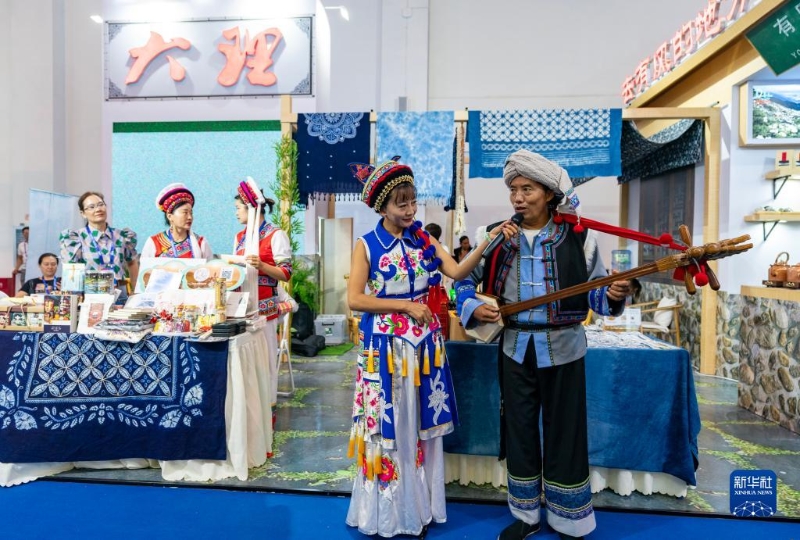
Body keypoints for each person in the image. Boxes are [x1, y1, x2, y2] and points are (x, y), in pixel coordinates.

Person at [455, 150, 631, 540]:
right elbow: (461, 281)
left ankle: (569, 517)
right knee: (518, 429)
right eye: (514, 190)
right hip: (514, 347)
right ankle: (525, 514)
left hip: (565, 347)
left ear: (549, 193)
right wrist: (471, 305)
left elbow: (596, 294)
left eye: (528, 189)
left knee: (566, 431)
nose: (518, 198)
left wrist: (613, 294)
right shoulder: (495, 236)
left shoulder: (580, 236)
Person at [345, 156, 515, 538]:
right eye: (401, 203)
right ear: (382, 207)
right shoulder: (366, 245)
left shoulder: (424, 239)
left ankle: (419, 508)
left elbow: (457, 271)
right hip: (386, 351)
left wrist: (489, 241)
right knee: (393, 427)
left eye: (413, 200)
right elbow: (355, 299)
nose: (410, 210)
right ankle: (391, 514)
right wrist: (406, 305)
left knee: (422, 426)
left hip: (425, 350)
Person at [233, 187, 292, 409]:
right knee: (246, 363)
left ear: (251, 209)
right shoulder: (239, 237)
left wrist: (262, 266)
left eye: (238, 208)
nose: (236, 213)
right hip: (242, 309)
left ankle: (268, 408)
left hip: (266, 310)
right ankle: (250, 409)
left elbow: (286, 273)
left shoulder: (276, 235)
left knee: (266, 362)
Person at [60, 192, 139, 296]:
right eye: (91, 207)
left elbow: (132, 263)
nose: (98, 209)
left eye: (101, 204)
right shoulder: (76, 238)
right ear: (83, 213)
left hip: (120, 294)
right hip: (91, 297)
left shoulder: (122, 236)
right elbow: (71, 270)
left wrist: (135, 291)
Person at [141, 183, 213, 259]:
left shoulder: (201, 243)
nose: (190, 217)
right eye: (185, 212)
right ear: (170, 216)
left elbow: (210, 266)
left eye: (191, 213)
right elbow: (145, 266)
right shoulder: (154, 243)